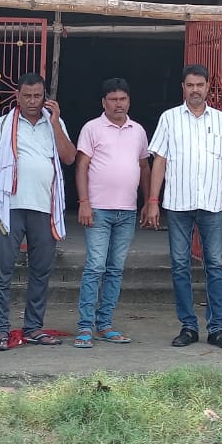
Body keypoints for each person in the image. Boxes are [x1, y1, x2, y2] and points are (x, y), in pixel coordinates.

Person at [143, 64, 222, 350]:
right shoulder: (169, 118)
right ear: (183, 88)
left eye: (200, 85)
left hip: (212, 204)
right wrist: (153, 201)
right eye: (190, 85)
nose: (195, 90)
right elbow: (159, 161)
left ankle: (217, 328)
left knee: (215, 265)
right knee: (180, 265)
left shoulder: (221, 120)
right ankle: (188, 326)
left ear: (208, 87)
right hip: (178, 204)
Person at [0, 72, 77, 351]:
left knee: (41, 270)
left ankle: (34, 327)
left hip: (44, 207)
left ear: (45, 96)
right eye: (27, 96)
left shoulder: (54, 123)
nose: (33, 101)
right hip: (9, 207)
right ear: (17, 96)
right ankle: (0, 330)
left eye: (38, 96)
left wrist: (55, 123)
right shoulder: (4, 123)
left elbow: (69, 157)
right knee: (3, 271)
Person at [72, 78, 151, 348]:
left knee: (115, 269)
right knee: (95, 267)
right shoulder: (92, 128)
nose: (119, 104)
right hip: (98, 210)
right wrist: (84, 202)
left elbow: (144, 167)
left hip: (127, 211)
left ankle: (105, 324)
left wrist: (149, 201)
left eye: (123, 99)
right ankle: (85, 326)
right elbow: (81, 166)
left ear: (129, 101)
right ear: (103, 102)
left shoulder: (138, 131)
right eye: (113, 99)